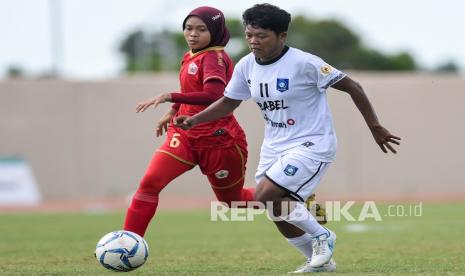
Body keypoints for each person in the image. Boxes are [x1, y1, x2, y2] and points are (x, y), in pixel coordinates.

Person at [175, 3, 401, 273]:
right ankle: (320, 263)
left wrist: (375, 126)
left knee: (267, 194)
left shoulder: (305, 63)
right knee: (276, 212)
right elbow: (228, 103)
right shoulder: (246, 65)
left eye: (262, 36)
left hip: (313, 143)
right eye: (249, 35)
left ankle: (323, 237)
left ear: (282, 36)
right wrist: (194, 120)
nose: (253, 41)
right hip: (274, 147)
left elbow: (353, 86)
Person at [123, 6, 256, 238]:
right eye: (188, 28)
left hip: (218, 139)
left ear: (215, 31)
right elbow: (191, 89)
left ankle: (290, 199)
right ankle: (127, 242)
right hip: (184, 134)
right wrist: (173, 111)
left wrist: (169, 96)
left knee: (234, 202)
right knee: (150, 183)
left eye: (201, 29)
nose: (193, 34)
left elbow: (214, 96)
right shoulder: (191, 54)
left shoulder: (215, 58)